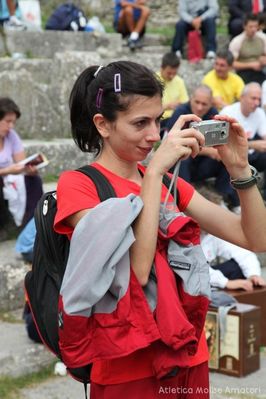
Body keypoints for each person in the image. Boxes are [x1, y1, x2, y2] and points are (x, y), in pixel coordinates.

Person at [54, 60, 266, 398]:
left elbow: (255, 238)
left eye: (159, 121)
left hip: (188, 352)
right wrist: (151, 174)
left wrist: (239, 168)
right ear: (103, 125)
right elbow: (135, 274)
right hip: (127, 366)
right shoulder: (79, 186)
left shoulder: (168, 182)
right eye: (140, 123)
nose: (154, 135)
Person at [167, 85, 240, 210]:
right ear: (191, 99)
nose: (200, 107)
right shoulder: (180, 112)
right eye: (197, 102)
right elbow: (174, 143)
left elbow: (219, 141)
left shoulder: (214, 114)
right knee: (183, 156)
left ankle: (223, 195)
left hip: (201, 164)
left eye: (204, 104)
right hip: (181, 164)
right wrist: (208, 151)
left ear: (211, 104)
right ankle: (185, 199)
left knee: (227, 158)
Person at [198, 186, 266, 291]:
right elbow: (192, 267)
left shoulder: (212, 229)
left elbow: (240, 251)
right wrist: (226, 283)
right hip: (184, 279)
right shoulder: (183, 230)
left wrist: (253, 275)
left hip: (207, 275)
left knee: (238, 268)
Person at [0, 97, 43, 240]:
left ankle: (30, 225)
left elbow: (21, 163)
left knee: (34, 180)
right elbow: (13, 169)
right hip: (4, 177)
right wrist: (8, 171)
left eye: (13, 122)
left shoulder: (11, 136)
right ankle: (4, 226)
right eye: (7, 121)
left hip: (10, 178)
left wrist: (29, 169)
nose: (11, 126)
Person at [220, 82, 266, 199]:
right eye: (253, 98)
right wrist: (252, 144)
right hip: (232, 155)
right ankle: (232, 201)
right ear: (242, 97)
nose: (257, 103)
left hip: (250, 155)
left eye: (259, 99)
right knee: (233, 164)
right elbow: (224, 144)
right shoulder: (228, 112)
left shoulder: (259, 113)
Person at [156, 52, 189, 136]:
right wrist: (167, 106)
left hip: (177, 118)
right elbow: (148, 108)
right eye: (169, 73)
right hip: (159, 119)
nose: (171, 76)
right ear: (162, 68)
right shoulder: (153, 80)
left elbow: (186, 104)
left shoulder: (179, 81)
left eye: (174, 73)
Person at [229, 13, 266, 84]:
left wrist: (263, 59)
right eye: (251, 27)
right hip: (243, 72)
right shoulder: (237, 41)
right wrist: (251, 65)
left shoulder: (263, 38)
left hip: (261, 70)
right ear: (244, 26)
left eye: (255, 26)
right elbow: (231, 63)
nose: (253, 29)